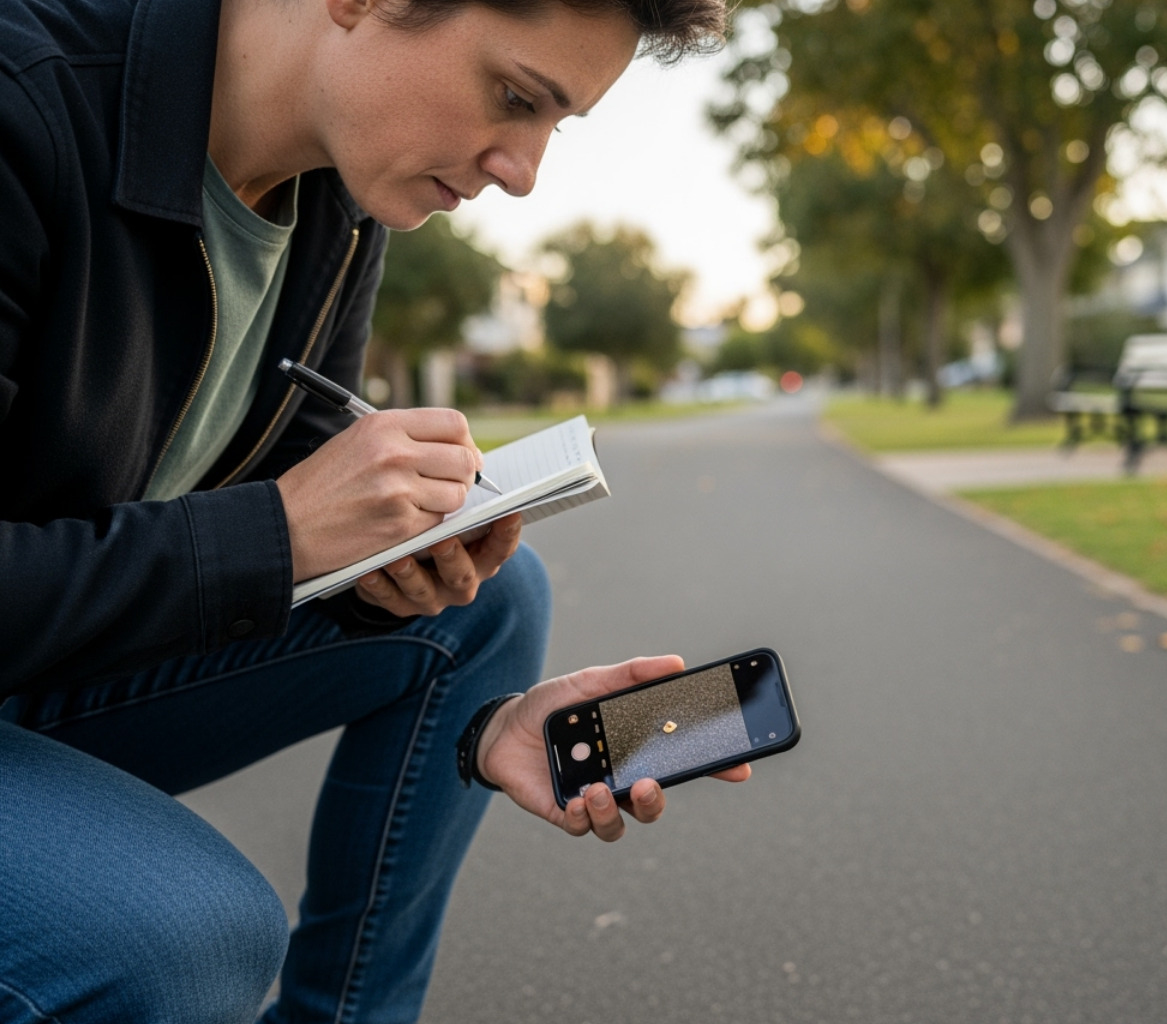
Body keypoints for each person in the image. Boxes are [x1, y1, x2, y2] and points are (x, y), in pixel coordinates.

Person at [0, 0, 747, 1020]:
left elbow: (289, 514)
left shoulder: (339, 203)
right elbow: (273, 528)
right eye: (515, 97)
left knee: (485, 601)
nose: (524, 170)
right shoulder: (24, 104)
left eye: (552, 125)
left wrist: (412, 637)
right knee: (189, 933)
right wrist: (287, 531)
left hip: (42, 663)